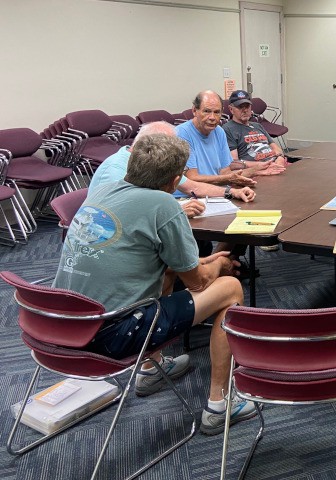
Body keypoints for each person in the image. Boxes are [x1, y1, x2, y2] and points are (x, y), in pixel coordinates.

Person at [53, 133, 258, 435]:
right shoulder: (163, 204)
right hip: (110, 336)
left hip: (60, 325)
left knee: (169, 271)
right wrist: (219, 265)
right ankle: (221, 404)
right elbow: (199, 283)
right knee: (230, 288)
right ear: (175, 181)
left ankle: (151, 369)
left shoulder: (103, 190)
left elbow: (147, 257)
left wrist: (197, 263)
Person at [89, 121, 256, 214]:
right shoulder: (114, 170)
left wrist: (231, 192)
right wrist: (178, 211)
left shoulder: (152, 161)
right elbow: (129, 213)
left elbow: (192, 186)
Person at [179, 90, 283, 186]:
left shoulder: (219, 132)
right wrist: (234, 181)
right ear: (194, 110)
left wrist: (255, 171)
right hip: (193, 195)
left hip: (218, 190)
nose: (212, 117)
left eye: (217, 112)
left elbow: (225, 173)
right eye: (206, 111)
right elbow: (192, 178)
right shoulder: (182, 133)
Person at [222, 89, 287, 171]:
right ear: (231, 109)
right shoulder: (227, 129)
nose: (245, 110)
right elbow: (234, 163)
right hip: (256, 170)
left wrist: (280, 158)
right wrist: (262, 165)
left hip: (275, 165)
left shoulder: (257, 125)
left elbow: (275, 147)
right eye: (240, 107)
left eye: (247, 106)